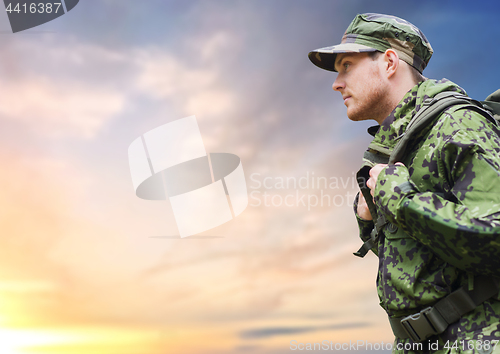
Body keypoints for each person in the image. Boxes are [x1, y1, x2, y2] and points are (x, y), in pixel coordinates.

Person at [308, 13, 500, 353]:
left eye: (346, 66)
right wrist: (369, 221)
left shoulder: (459, 125)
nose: (336, 82)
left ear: (390, 62)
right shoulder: (399, 144)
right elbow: (428, 258)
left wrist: (398, 198)